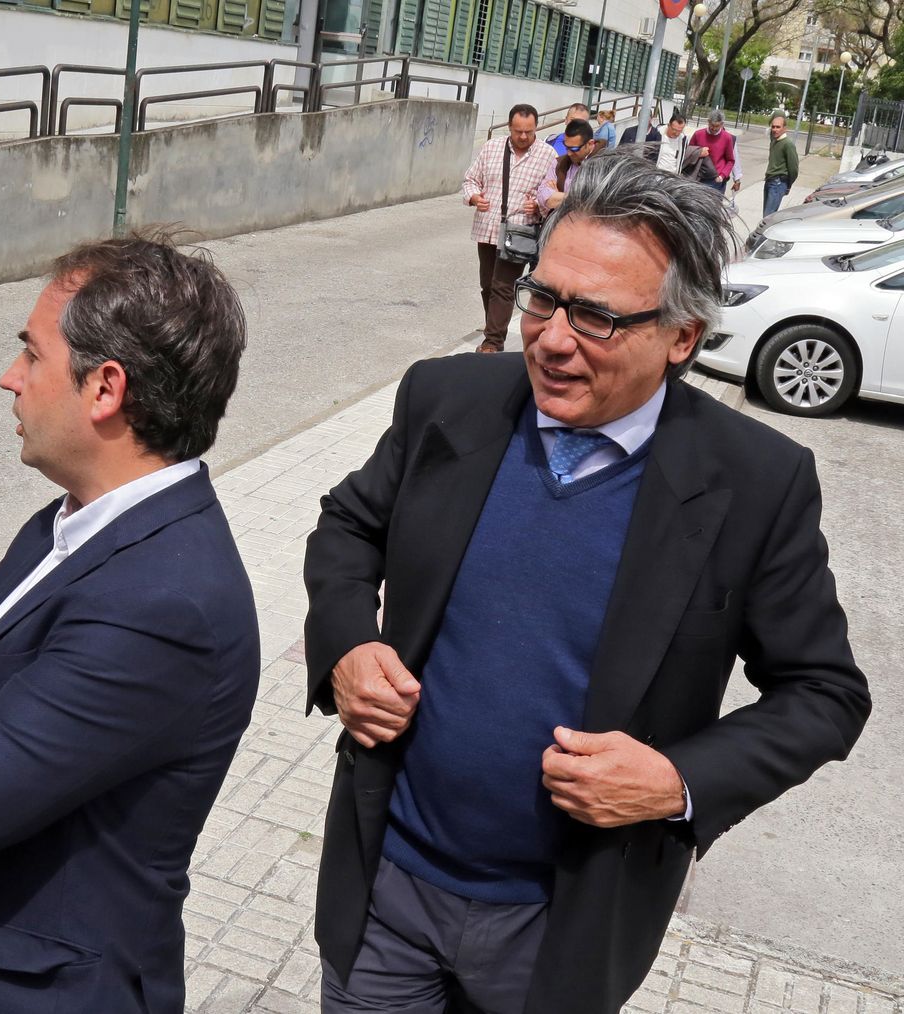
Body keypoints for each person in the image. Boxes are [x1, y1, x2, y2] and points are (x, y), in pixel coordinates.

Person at [303, 154, 869, 1013]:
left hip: (562, 927)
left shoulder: (755, 481)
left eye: (599, 317)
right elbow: (348, 527)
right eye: (544, 297)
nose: (553, 338)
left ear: (681, 338)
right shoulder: (445, 399)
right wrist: (348, 644)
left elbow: (825, 694)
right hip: (387, 887)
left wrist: (675, 783)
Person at [0, 235, 261, 1014]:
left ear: (104, 388)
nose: (10, 379)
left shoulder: (162, 605)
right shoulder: (73, 521)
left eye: (31, 356)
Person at [462, 103, 555, 352]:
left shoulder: (547, 155)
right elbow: (470, 179)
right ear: (509, 128)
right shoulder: (492, 148)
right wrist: (473, 197)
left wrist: (537, 204)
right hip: (488, 227)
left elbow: (551, 193)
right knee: (488, 284)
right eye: (518, 131)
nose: (523, 137)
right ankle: (494, 326)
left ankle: (493, 341)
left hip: (520, 231)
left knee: (503, 286)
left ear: (536, 128)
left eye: (529, 131)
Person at [537, 117, 597, 213]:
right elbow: (542, 195)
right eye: (566, 147)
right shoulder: (559, 163)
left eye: (574, 149)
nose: (569, 153)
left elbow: (595, 202)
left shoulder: (604, 165)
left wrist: (558, 196)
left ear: (590, 144)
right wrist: (573, 198)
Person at [690, 109, 737, 192]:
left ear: (722, 124)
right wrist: (698, 153)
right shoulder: (698, 134)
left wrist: (722, 175)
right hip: (698, 178)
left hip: (716, 180)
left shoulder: (727, 138)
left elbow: (730, 160)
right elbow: (689, 153)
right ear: (708, 122)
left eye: (717, 126)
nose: (714, 129)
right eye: (712, 125)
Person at [764, 112, 801, 217]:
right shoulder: (774, 141)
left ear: (785, 128)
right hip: (769, 180)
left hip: (778, 183)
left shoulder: (788, 144)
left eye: (778, 127)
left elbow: (794, 169)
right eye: (773, 127)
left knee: (768, 216)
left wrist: (788, 185)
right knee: (766, 216)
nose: (775, 129)